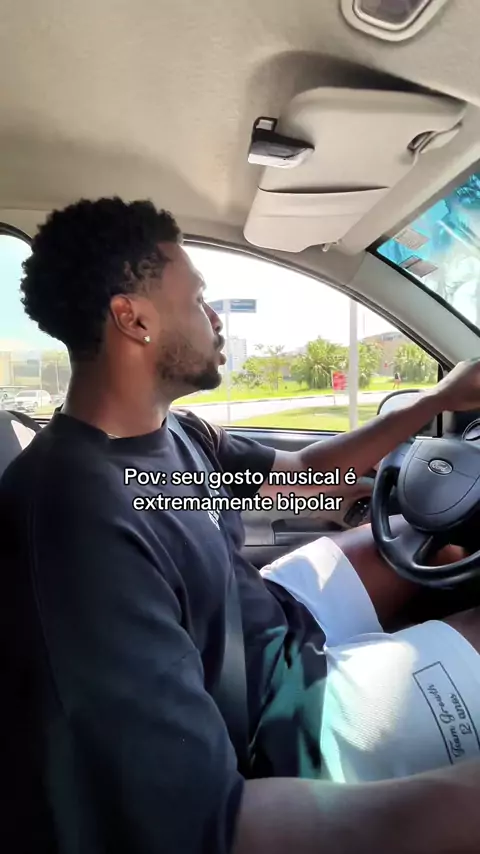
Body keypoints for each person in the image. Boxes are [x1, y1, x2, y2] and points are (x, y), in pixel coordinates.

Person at [2, 197, 480, 854]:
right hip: (269, 720)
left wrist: (439, 399)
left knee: (430, 545)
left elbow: (305, 478)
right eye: (198, 300)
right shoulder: (76, 527)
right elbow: (210, 825)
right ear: (133, 319)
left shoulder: (173, 433)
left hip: (260, 621)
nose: (215, 318)